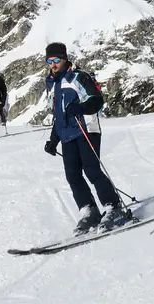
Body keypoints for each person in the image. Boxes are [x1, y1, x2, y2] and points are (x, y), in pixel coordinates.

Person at [42, 42, 131, 234]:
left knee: (91, 169)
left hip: (86, 129)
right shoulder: (51, 83)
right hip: (66, 135)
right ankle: (89, 210)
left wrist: (80, 108)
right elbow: (58, 115)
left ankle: (113, 207)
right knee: (72, 175)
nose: (53, 64)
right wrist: (53, 140)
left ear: (64, 59)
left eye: (56, 60)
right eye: (50, 61)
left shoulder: (77, 77)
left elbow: (96, 99)